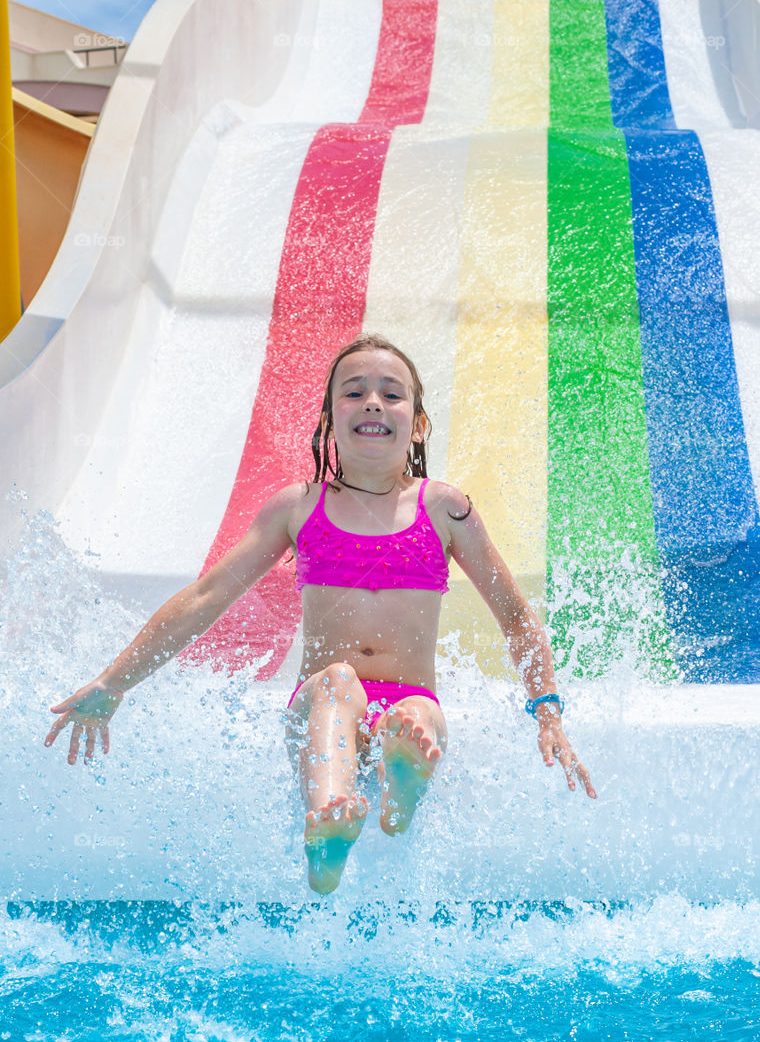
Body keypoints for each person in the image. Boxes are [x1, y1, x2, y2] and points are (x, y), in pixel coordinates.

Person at [45, 334, 596, 894]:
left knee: (415, 717)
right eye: (354, 393)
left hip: (409, 702)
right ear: (330, 418)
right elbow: (206, 598)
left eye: (392, 394)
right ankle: (330, 823)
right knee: (337, 680)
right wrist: (113, 683)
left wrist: (547, 711)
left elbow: (516, 617)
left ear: (419, 424)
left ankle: (397, 797)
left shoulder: (445, 509)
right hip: (322, 711)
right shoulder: (299, 507)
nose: (374, 402)